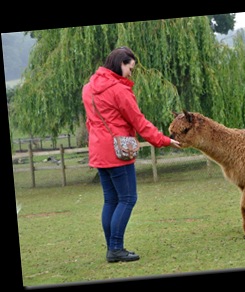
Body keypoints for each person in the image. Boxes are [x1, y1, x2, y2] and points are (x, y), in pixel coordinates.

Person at [82, 46, 181, 263]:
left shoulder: (88, 88)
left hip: (99, 150)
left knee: (110, 200)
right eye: (130, 68)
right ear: (121, 63)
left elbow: (91, 122)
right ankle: (116, 248)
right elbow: (139, 122)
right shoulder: (118, 90)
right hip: (118, 152)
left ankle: (112, 248)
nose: (130, 73)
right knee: (127, 198)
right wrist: (164, 140)